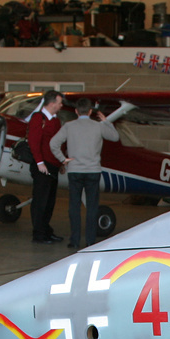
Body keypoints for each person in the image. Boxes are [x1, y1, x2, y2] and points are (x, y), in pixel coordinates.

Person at [48, 98, 120, 249]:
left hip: (74, 170)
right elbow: (115, 137)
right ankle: (90, 241)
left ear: (75, 111)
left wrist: (63, 159)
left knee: (74, 206)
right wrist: (106, 121)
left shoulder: (69, 126)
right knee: (92, 207)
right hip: (93, 171)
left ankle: (74, 241)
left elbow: (53, 143)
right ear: (90, 111)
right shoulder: (98, 126)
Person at [27, 90, 65, 244]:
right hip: (43, 166)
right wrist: (39, 163)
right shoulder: (38, 118)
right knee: (40, 201)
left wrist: (61, 162)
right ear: (51, 104)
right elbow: (34, 142)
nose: (61, 105)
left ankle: (46, 230)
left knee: (49, 201)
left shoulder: (56, 120)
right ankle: (38, 234)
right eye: (59, 102)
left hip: (53, 165)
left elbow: (59, 142)